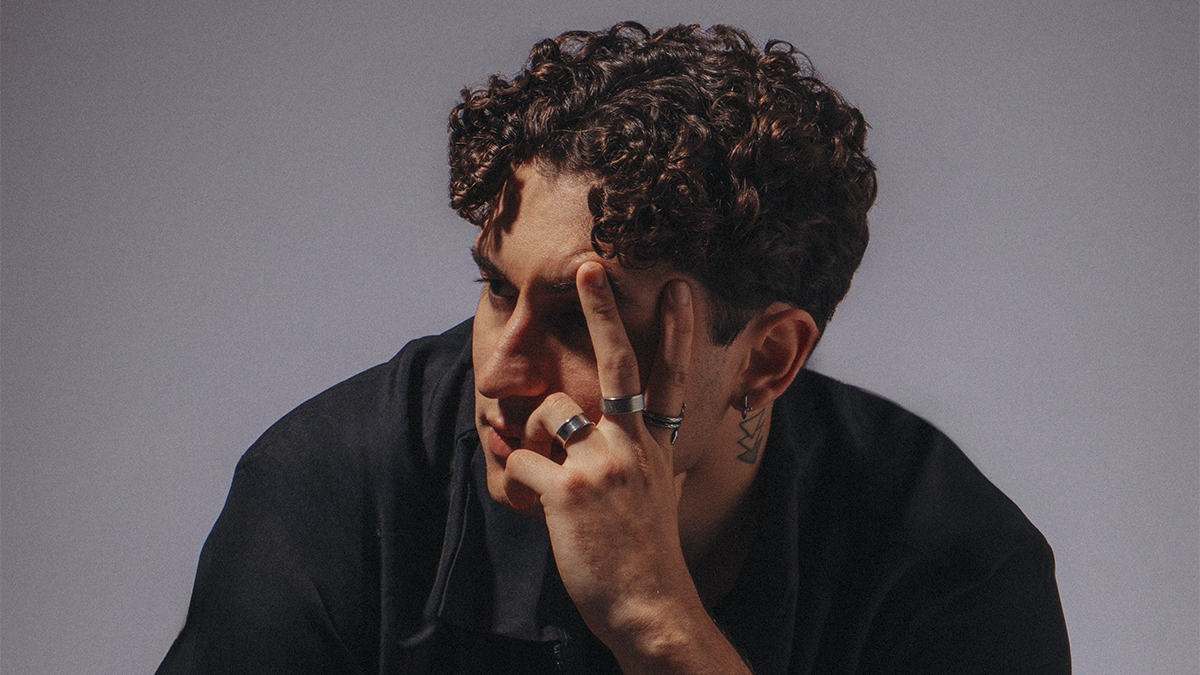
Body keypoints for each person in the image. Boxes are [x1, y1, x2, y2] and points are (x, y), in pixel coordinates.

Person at [157, 22, 1070, 674]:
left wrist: (657, 624)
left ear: (767, 359)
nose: (497, 371)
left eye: (579, 322)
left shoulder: (954, 564)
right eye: (497, 289)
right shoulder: (336, 487)